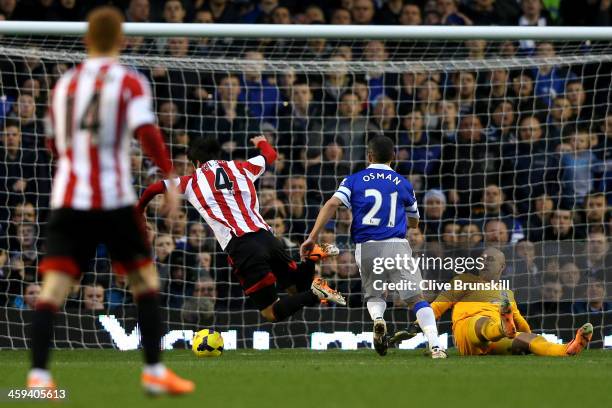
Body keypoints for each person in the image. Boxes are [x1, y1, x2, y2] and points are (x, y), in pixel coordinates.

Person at [27, 7, 194, 395]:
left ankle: (39, 379)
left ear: (86, 40)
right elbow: (147, 131)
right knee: (145, 281)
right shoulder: (129, 81)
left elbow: (53, 143)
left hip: (69, 198)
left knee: (53, 289)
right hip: (115, 199)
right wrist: (169, 178)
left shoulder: (64, 84)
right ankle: (153, 371)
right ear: (121, 39)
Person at [137, 135, 346, 324]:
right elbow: (270, 155)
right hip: (267, 237)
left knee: (270, 313)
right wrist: (261, 142)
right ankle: (312, 257)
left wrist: (140, 212)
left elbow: (152, 189)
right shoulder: (242, 167)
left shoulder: (191, 181)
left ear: (196, 163)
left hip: (242, 245)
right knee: (295, 289)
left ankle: (317, 293)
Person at [301, 136, 446, 358]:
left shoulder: (354, 180)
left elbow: (331, 204)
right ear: (394, 157)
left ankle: (378, 320)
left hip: (366, 246)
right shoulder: (403, 183)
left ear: (369, 156)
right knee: (416, 299)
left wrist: (312, 237)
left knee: (375, 294)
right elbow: (415, 221)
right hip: (396, 244)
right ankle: (435, 346)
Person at [397, 247, 593, 357]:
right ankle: (501, 327)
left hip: (495, 340)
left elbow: (520, 322)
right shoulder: (463, 280)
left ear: (502, 266)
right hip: (468, 332)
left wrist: (529, 336)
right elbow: (436, 308)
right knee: (482, 323)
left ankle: (568, 348)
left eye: (490, 259)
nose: (484, 262)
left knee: (530, 341)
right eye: (481, 259)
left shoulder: (506, 293)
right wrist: (416, 327)